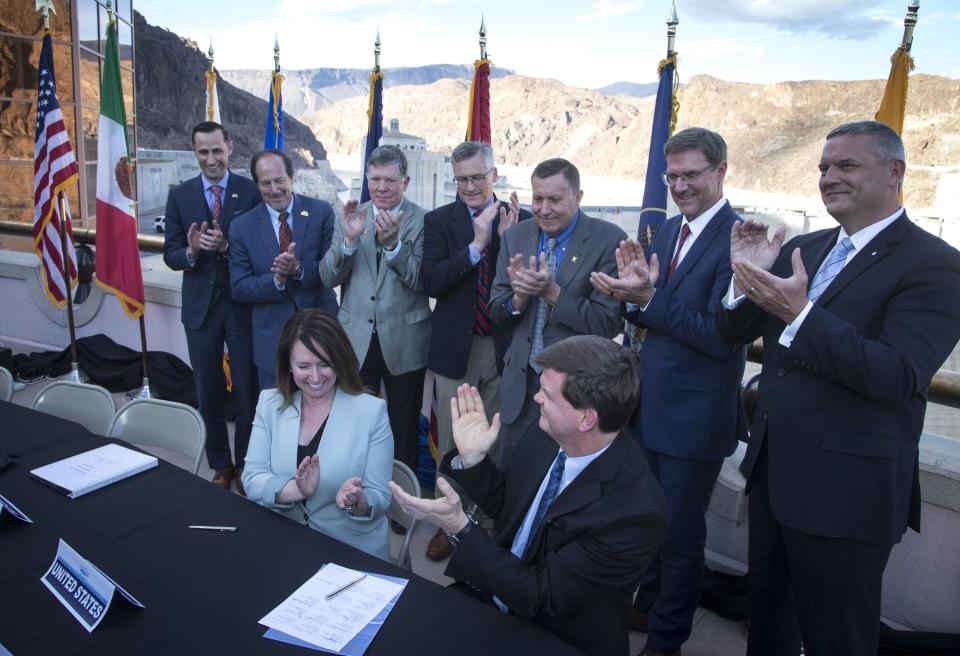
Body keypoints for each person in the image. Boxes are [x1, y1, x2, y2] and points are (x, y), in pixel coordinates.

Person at [717, 120, 960, 656]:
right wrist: (743, 279)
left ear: (894, 171)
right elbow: (734, 333)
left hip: (845, 494)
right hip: (774, 475)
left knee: (837, 638)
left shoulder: (937, 265)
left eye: (846, 165)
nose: (829, 177)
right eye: (824, 167)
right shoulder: (808, 246)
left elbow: (896, 376)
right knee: (769, 625)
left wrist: (798, 313)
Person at [390, 335, 665, 656]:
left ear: (586, 418)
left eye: (547, 394)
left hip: (556, 636)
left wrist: (461, 528)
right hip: (494, 597)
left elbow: (541, 596)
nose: (535, 398)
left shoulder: (635, 512)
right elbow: (510, 506)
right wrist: (474, 459)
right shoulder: (547, 432)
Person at [591, 127, 746, 655]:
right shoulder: (673, 231)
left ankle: (666, 640)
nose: (679, 186)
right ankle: (650, 602)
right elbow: (653, 315)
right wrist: (631, 298)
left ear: (720, 172)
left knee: (680, 539)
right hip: (651, 409)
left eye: (691, 175)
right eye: (672, 176)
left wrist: (649, 297)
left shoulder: (740, 239)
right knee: (649, 523)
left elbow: (720, 337)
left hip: (695, 420)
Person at [421, 140, 529, 560]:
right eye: (461, 179)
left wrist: (504, 242)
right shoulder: (439, 222)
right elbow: (432, 282)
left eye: (477, 178)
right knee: (451, 440)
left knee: (495, 439)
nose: (469, 186)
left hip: (504, 349)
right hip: (455, 350)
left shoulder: (522, 220)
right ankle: (449, 522)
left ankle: (485, 520)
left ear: (494, 176)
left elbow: (525, 285)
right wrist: (476, 247)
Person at [488, 158, 624, 466]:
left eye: (554, 199)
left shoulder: (607, 241)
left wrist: (552, 293)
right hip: (519, 393)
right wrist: (518, 299)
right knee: (508, 480)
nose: (544, 209)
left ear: (577, 198)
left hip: (573, 397)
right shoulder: (515, 237)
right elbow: (496, 308)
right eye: (538, 198)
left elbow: (607, 323)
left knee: (556, 482)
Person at [241, 309, 394, 561]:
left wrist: (357, 500)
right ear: (288, 365)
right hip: (282, 539)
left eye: (324, 364)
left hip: (349, 549)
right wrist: (296, 490)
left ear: (340, 360)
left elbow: (381, 497)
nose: (314, 377)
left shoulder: (371, 412)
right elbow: (252, 479)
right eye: (303, 366)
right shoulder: (269, 404)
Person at [319, 144, 429, 476]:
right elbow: (327, 277)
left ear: (405, 182)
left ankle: (401, 503)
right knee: (356, 426)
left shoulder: (424, 221)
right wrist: (349, 243)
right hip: (355, 341)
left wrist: (394, 247)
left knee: (404, 427)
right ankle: (356, 494)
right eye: (375, 179)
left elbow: (423, 282)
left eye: (390, 180)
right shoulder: (351, 215)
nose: (381, 187)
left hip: (406, 342)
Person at [162, 121, 260, 491]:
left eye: (217, 150)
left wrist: (226, 247)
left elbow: (259, 247)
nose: (211, 159)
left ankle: (249, 465)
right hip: (200, 309)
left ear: (230, 148)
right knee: (207, 389)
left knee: (247, 391)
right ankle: (221, 465)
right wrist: (191, 250)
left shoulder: (250, 192)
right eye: (203, 152)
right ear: (194, 152)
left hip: (240, 307)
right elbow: (171, 253)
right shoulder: (180, 195)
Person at [229, 149, 338, 389]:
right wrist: (276, 279)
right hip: (271, 343)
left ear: (291, 177)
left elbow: (333, 269)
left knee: (324, 413)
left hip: (320, 332)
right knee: (277, 413)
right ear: (257, 184)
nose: (274, 189)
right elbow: (239, 287)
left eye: (279, 181)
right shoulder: (241, 227)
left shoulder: (321, 212)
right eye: (265, 183)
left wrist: (298, 268)